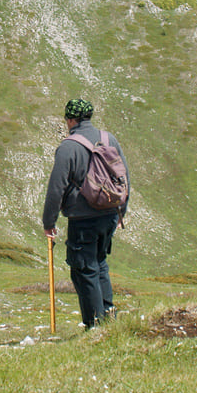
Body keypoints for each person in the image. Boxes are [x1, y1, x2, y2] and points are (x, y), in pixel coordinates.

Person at [41, 99, 128, 328]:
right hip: (109, 214)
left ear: (71, 119)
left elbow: (56, 187)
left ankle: (95, 325)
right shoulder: (109, 139)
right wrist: (121, 212)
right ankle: (108, 318)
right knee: (99, 263)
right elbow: (124, 177)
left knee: (84, 269)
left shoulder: (68, 147)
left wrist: (48, 222)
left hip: (83, 219)